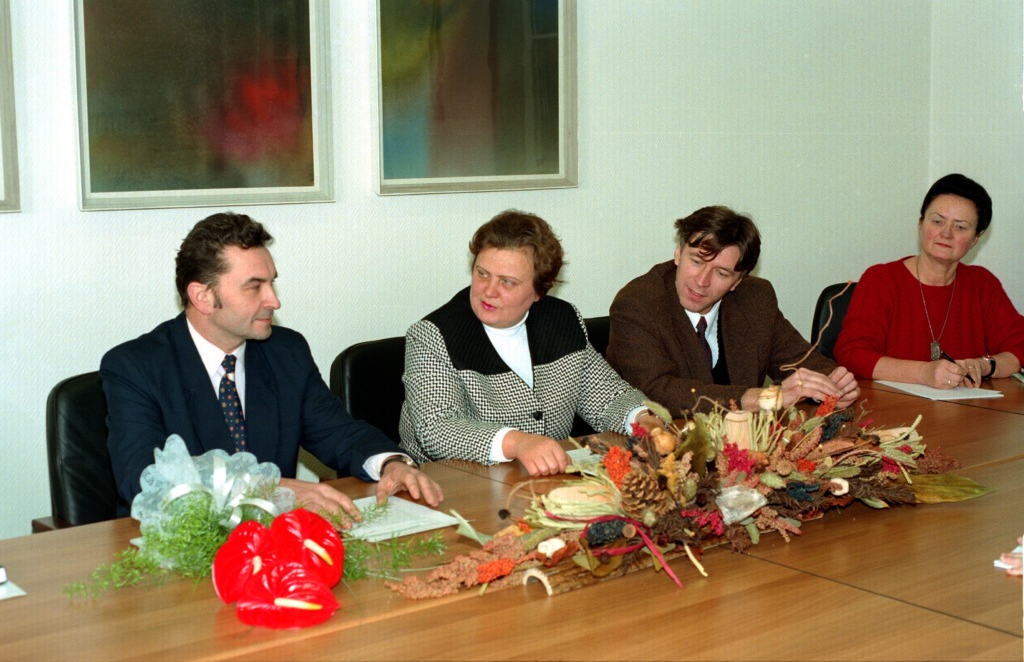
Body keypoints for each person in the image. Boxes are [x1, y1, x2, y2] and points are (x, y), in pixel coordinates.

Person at [101, 212, 443, 523]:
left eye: (272, 283)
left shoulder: (285, 351)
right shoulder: (135, 367)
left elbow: (338, 432)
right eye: (254, 287)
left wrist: (390, 463)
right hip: (181, 546)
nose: (274, 301)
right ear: (202, 296)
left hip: (276, 540)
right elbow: (145, 480)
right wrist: (269, 488)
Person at [398, 210, 657, 477]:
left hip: (542, 481)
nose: (489, 290)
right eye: (482, 273)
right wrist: (517, 443)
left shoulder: (562, 321)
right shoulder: (433, 335)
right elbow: (436, 429)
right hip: (453, 484)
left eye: (507, 282)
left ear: (538, 291)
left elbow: (607, 396)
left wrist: (643, 419)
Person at [607, 205, 859, 416]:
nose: (701, 281)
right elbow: (658, 393)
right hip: (662, 445)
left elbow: (800, 361)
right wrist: (758, 398)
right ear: (678, 253)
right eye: (696, 261)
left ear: (738, 281)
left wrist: (834, 382)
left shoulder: (755, 298)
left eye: (721, 273)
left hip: (744, 446)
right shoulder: (637, 304)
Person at [834, 174, 1024, 388]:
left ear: (975, 239)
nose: (946, 233)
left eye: (960, 227)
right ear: (920, 224)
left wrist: (984, 365)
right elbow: (851, 355)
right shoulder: (881, 280)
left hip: (964, 408)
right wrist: (924, 373)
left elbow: (1019, 348)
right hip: (891, 406)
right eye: (937, 221)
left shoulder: (982, 284)